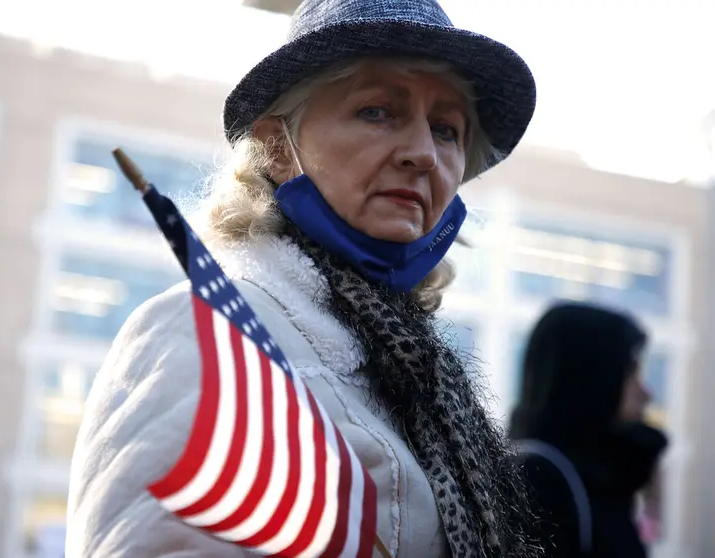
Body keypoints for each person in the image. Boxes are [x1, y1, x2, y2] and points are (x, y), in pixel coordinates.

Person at [66, 0, 540, 556]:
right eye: (377, 112)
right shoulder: (211, 333)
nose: (421, 154)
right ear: (276, 148)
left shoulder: (414, 366)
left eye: (446, 129)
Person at [509, 303, 669, 558]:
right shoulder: (541, 479)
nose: (646, 393)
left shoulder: (605, 475)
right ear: (591, 378)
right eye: (631, 375)